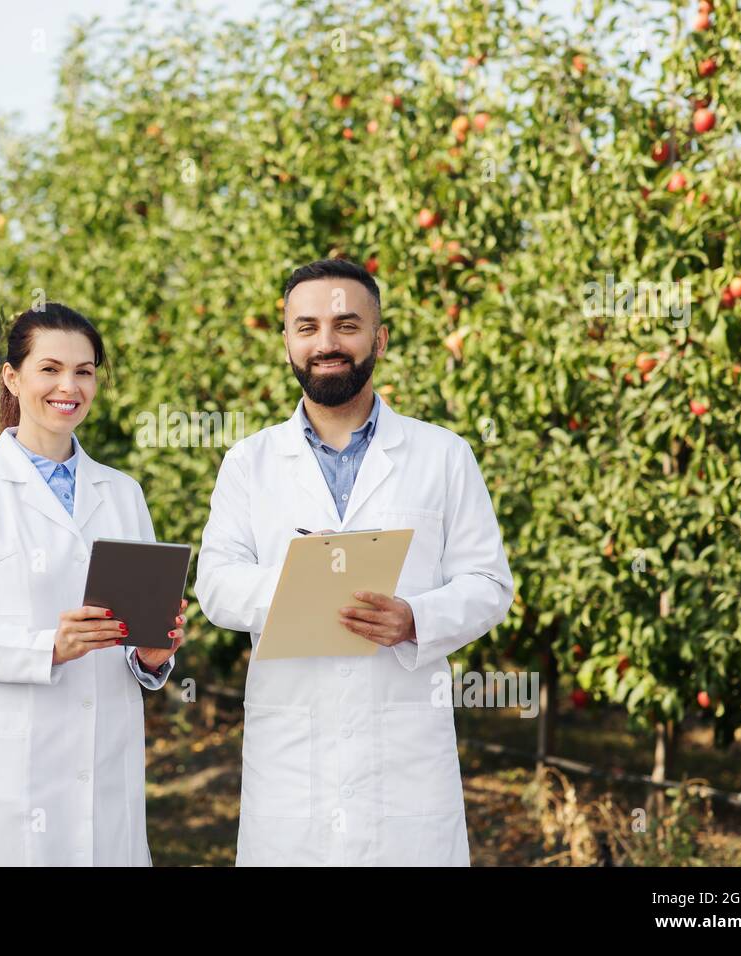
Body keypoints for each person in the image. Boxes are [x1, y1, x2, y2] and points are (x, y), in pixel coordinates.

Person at [195, 258, 514, 865]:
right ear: (287, 340)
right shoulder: (249, 462)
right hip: (292, 757)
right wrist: (307, 591)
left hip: (404, 758)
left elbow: (488, 582)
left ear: (379, 339)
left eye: (346, 325)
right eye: (307, 327)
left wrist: (415, 618)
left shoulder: (443, 455)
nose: (326, 344)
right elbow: (215, 584)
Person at [0, 302, 186, 866]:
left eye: (84, 371)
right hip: (11, 781)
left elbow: (135, 648)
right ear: (12, 378)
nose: (69, 386)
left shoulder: (123, 493)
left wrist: (153, 657)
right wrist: (48, 647)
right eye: (51, 369)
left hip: (105, 771)